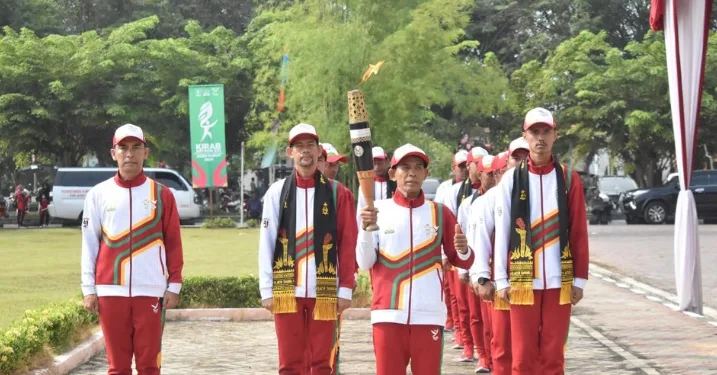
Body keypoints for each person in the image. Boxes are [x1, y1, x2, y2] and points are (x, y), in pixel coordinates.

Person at [356, 143, 474, 375]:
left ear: (425, 173)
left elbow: (463, 261)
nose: (411, 173)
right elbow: (364, 262)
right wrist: (365, 229)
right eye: (405, 167)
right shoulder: (378, 209)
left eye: (418, 167)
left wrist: (463, 250)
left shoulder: (440, 213)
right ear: (393, 173)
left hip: (429, 315)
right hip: (387, 314)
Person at [81, 124, 184, 375]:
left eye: (136, 147)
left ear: (145, 153)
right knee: (117, 367)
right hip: (109, 290)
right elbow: (89, 243)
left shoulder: (162, 194)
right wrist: (88, 288)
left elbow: (173, 242)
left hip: (150, 291)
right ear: (113, 152)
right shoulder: (98, 194)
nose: (130, 154)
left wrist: (174, 284)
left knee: (150, 366)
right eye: (123, 148)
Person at [493, 108, 589, 374]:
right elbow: (503, 231)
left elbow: (578, 230)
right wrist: (501, 279)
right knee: (522, 357)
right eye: (535, 132)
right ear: (525, 136)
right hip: (522, 282)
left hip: (560, 280)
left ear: (555, 135)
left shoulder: (570, 178)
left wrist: (579, 280)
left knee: (553, 357)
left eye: (546, 131)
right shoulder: (511, 178)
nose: (540, 138)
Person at [258, 123, 358, 375]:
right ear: (289, 152)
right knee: (289, 363)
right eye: (299, 146)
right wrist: (266, 288)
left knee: (323, 363)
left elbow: (348, 243)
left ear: (319, 150)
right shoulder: (276, 192)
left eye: (310, 145)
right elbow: (267, 241)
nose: (305, 151)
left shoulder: (338, 193)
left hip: (324, 291)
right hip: (285, 289)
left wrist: (346, 287)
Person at [435, 150, 468, 340]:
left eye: (466, 165)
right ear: (453, 168)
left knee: (463, 296)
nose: (463, 170)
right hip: (450, 245)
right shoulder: (446, 190)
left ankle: (461, 331)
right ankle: (453, 322)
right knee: (451, 291)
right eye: (460, 166)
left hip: (465, 247)